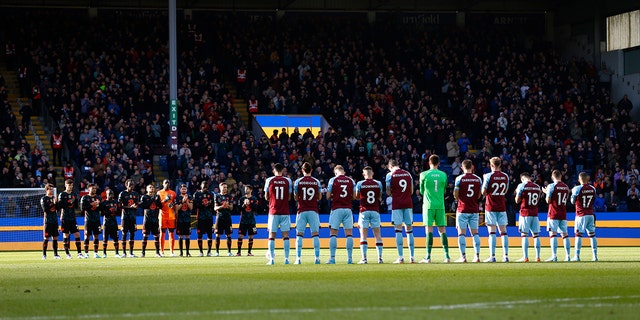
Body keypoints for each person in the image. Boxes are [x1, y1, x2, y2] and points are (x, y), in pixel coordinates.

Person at [419, 155, 451, 263]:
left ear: (429, 162)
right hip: (440, 205)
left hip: (429, 205)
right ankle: (447, 256)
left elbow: (422, 191)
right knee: (442, 230)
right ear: (439, 163)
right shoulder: (444, 175)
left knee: (429, 230)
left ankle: (428, 257)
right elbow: (444, 190)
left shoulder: (423, 174)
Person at [385, 159, 415, 264]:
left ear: (390, 167)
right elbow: (411, 191)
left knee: (398, 229)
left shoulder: (390, 175)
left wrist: (394, 192)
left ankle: (401, 257)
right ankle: (412, 257)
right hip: (408, 203)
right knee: (409, 230)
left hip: (397, 204)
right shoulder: (408, 174)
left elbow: (388, 192)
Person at [453, 159, 482, 263]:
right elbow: (479, 194)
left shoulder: (459, 179)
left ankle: (463, 257)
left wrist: (459, 198)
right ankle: (477, 256)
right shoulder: (478, 179)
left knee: (461, 234)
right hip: (474, 209)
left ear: (462, 167)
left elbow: (455, 194)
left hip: (462, 209)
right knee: (475, 233)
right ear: (472, 167)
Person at [481, 157, 510, 262]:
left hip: (491, 207)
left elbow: (483, 192)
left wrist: (485, 181)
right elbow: (506, 190)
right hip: (501, 207)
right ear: (500, 164)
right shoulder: (505, 176)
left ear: (491, 165)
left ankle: (492, 256)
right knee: (503, 232)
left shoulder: (488, 176)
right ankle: (505, 256)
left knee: (492, 232)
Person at [325, 165, 356, 264]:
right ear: (344, 172)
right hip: (348, 209)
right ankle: (350, 259)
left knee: (333, 234)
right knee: (349, 234)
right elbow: (355, 196)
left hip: (336, 208)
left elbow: (328, 196)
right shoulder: (351, 181)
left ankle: (332, 258)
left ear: (335, 172)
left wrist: (335, 195)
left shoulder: (332, 180)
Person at [293, 162, 322, 264]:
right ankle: (317, 258)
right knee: (315, 234)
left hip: (302, 210)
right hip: (313, 210)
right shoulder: (316, 182)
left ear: (302, 170)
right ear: (311, 170)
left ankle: (298, 258)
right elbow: (319, 197)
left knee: (299, 235)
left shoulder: (298, 182)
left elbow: (296, 197)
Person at [264, 163, 293, 265]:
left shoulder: (269, 180)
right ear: (283, 170)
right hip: (285, 211)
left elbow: (266, 197)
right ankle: (286, 259)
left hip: (273, 211)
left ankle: (271, 259)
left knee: (272, 235)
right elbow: (289, 197)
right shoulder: (288, 181)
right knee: (286, 236)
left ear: (274, 170)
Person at [355, 166, 384, 264]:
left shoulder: (360, 184)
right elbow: (379, 196)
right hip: (375, 210)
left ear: (364, 174)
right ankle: (379, 258)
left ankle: (364, 259)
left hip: (364, 210)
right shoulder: (378, 183)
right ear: (372, 173)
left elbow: (357, 197)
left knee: (363, 235)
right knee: (377, 235)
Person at [542, 169, 571, 262]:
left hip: (553, 213)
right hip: (563, 213)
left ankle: (554, 256)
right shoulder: (566, 187)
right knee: (565, 235)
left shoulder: (551, 186)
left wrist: (546, 193)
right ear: (561, 176)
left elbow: (548, 201)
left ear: (552, 177)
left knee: (553, 234)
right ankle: (568, 256)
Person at [514, 172, 542, 262]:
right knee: (536, 235)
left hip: (525, 213)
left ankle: (525, 257)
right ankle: (537, 257)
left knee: (524, 235)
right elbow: (537, 200)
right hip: (534, 213)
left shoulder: (522, 186)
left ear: (522, 179)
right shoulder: (537, 187)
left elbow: (517, 200)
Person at [571, 172, 598, 262]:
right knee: (592, 235)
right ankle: (595, 256)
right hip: (591, 213)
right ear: (588, 179)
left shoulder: (577, 188)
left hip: (581, 214)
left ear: (579, 180)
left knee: (578, 235)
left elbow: (572, 201)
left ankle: (577, 256)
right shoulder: (593, 188)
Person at [57, 179, 83, 259]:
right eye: (69, 185)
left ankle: (79, 253)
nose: (70, 187)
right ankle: (67, 254)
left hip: (72, 217)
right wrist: (69, 202)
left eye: (71, 185)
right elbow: (60, 206)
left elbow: (75, 206)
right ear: (65, 185)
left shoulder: (74, 194)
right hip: (65, 217)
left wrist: (75, 202)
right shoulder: (62, 194)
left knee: (77, 234)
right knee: (66, 234)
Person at [139, 184, 162, 258]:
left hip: (155, 219)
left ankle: (157, 253)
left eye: (152, 187)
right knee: (145, 235)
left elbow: (160, 206)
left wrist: (157, 201)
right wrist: (152, 199)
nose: (152, 188)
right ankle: (143, 253)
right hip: (147, 219)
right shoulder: (144, 197)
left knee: (156, 236)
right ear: (146, 189)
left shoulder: (157, 196)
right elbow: (144, 206)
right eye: (150, 187)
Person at [118, 179, 139, 258]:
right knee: (124, 233)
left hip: (133, 217)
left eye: (132, 185)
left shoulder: (136, 194)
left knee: (132, 234)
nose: (131, 186)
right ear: (126, 185)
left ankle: (131, 253)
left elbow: (137, 205)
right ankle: (124, 253)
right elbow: (119, 206)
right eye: (130, 185)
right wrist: (129, 207)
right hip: (125, 217)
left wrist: (136, 206)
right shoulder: (122, 194)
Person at [193, 180, 215, 256]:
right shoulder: (197, 194)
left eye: (206, 185)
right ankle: (201, 252)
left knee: (210, 234)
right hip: (200, 217)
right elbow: (195, 206)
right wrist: (203, 204)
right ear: (201, 186)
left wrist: (209, 204)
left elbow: (213, 206)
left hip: (209, 217)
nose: (205, 186)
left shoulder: (211, 194)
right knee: (200, 235)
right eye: (204, 185)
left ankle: (209, 252)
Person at [81, 183, 102, 258]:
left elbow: (101, 208)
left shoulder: (98, 197)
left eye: (95, 188)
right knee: (87, 236)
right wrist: (92, 204)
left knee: (96, 236)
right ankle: (86, 253)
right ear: (88, 189)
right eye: (93, 188)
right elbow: (82, 208)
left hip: (96, 219)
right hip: (88, 219)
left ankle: (95, 253)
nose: (94, 189)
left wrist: (99, 205)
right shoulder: (85, 198)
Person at [157, 179, 177, 256]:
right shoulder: (159, 193)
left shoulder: (173, 193)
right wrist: (165, 200)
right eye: (166, 183)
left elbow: (175, 203)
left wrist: (173, 205)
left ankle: (172, 251)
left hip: (171, 215)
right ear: (163, 184)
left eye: (168, 183)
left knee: (171, 233)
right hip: (163, 215)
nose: (167, 184)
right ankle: (162, 251)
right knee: (162, 233)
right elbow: (158, 205)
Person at [214, 182, 234, 256]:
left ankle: (229, 252)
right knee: (217, 235)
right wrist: (222, 206)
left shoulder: (229, 196)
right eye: (223, 187)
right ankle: (217, 252)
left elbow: (232, 208)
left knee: (228, 234)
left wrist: (227, 205)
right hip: (219, 217)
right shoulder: (217, 196)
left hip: (227, 217)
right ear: (220, 188)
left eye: (226, 187)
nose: (225, 188)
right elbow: (215, 208)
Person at [40, 183, 60, 259]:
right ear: (47, 190)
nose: (51, 190)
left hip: (54, 220)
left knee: (55, 238)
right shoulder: (44, 199)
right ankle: (44, 255)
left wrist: (57, 203)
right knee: (46, 238)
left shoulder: (54, 198)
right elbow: (45, 209)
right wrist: (53, 203)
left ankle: (55, 254)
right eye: (50, 189)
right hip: (47, 221)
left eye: (52, 189)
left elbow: (58, 209)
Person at [237, 185, 258, 257]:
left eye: (247, 189)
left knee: (251, 236)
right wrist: (244, 205)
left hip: (251, 220)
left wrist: (250, 204)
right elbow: (238, 209)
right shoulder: (241, 199)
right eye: (245, 189)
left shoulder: (254, 199)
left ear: (251, 190)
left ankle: (249, 252)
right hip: (243, 220)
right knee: (240, 236)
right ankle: (239, 252)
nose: (246, 190)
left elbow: (256, 209)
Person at [100, 188, 121, 258]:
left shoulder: (116, 202)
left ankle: (117, 253)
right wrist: (109, 211)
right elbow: (102, 213)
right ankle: (104, 253)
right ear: (106, 194)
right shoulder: (103, 203)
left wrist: (116, 210)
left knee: (116, 238)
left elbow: (119, 212)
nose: (110, 195)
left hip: (114, 222)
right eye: (109, 194)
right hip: (106, 222)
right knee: (105, 239)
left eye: (111, 193)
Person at [174, 183, 193, 257]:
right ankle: (181, 253)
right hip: (180, 219)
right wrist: (182, 201)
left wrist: (187, 201)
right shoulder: (177, 198)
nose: (184, 190)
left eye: (185, 189)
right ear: (180, 190)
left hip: (187, 219)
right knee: (180, 236)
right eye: (182, 189)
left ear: (187, 190)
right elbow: (177, 209)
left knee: (188, 236)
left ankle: (187, 252)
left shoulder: (190, 197)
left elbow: (191, 208)